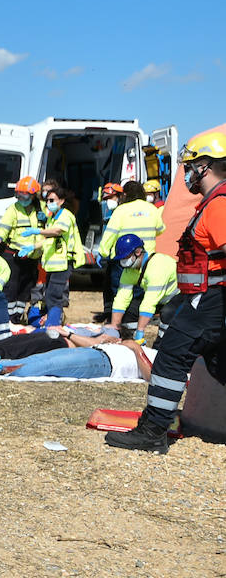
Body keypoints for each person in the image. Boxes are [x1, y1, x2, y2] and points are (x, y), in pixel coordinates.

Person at [107, 130, 226, 453]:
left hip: (210, 300)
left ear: (205, 166)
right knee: (218, 364)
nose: (187, 173)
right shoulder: (214, 203)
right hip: (208, 299)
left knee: (172, 357)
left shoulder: (218, 205)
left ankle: (154, 429)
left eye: (190, 166)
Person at [96, 181, 166, 321]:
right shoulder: (151, 209)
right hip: (144, 260)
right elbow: (161, 229)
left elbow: (110, 233)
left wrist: (103, 253)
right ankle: (134, 320)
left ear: (125, 194)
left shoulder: (121, 210)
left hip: (123, 259)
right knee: (139, 292)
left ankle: (120, 320)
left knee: (121, 291)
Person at [26, 185, 82, 328]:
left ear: (62, 201)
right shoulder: (53, 218)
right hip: (53, 264)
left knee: (53, 296)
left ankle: (53, 326)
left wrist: (37, 231)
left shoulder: (65, 215)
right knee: (49, 296)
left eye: (52, 200)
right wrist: (32, 247)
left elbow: (57, 231)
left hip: (62, 263)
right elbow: (48, 239)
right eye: (47, 200)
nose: (49, 203)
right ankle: (52, 323)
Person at [109, 234, 178, 341]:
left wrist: (140, 332)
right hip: (158, 299)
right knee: (130, 311)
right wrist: (114, 327)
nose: (123, 261)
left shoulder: (157, 267)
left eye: (126, 257)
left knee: (167, 314)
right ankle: (127, 340)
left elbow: (149, 303)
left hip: (177, 299)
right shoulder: (130, 269)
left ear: (138, 252)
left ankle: (162, 345)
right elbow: (122, 298)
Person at [0, 176, 44, 321]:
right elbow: (2, 231)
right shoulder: (13, 209)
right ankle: (8, 319)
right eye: (18, 195)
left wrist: (45, 218)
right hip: (14, 256)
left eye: (24, 195)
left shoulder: (41, 209)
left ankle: (18, 317)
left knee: (25, 290)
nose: (21, 198)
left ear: (34, 195)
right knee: (11, 288)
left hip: (32, 257)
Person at [0, 338, 155, 380]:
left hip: (105, 364)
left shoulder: (179, 366)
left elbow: (153, 376)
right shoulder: (161, 352)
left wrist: (135, 348)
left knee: (49, 366)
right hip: (98, 351)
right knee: (42, 357)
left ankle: (1, 371)